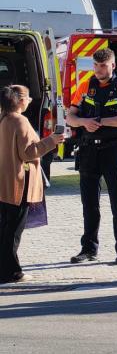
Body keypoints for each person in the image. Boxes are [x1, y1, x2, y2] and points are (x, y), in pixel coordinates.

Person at [67, 48, 117, 265]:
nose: (99, 70)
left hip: (113, 150)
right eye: (96, 66)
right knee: (89, 204)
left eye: (103, 66)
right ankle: (88, 249)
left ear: (113, 66)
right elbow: (70, 116)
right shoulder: (86, 86)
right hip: (88, 151)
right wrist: (83, 123)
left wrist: (101, 121)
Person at [0, 86, 65, 283]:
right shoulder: (19, 120)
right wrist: (52, 140)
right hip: (18, 184)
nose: (29, 101)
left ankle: (6, 268)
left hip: (6, 182)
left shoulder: (3, 118)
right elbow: (29, 152)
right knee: (13, 229)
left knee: (5, 228)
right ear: (19, 100)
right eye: (27, 98)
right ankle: (11, 272)